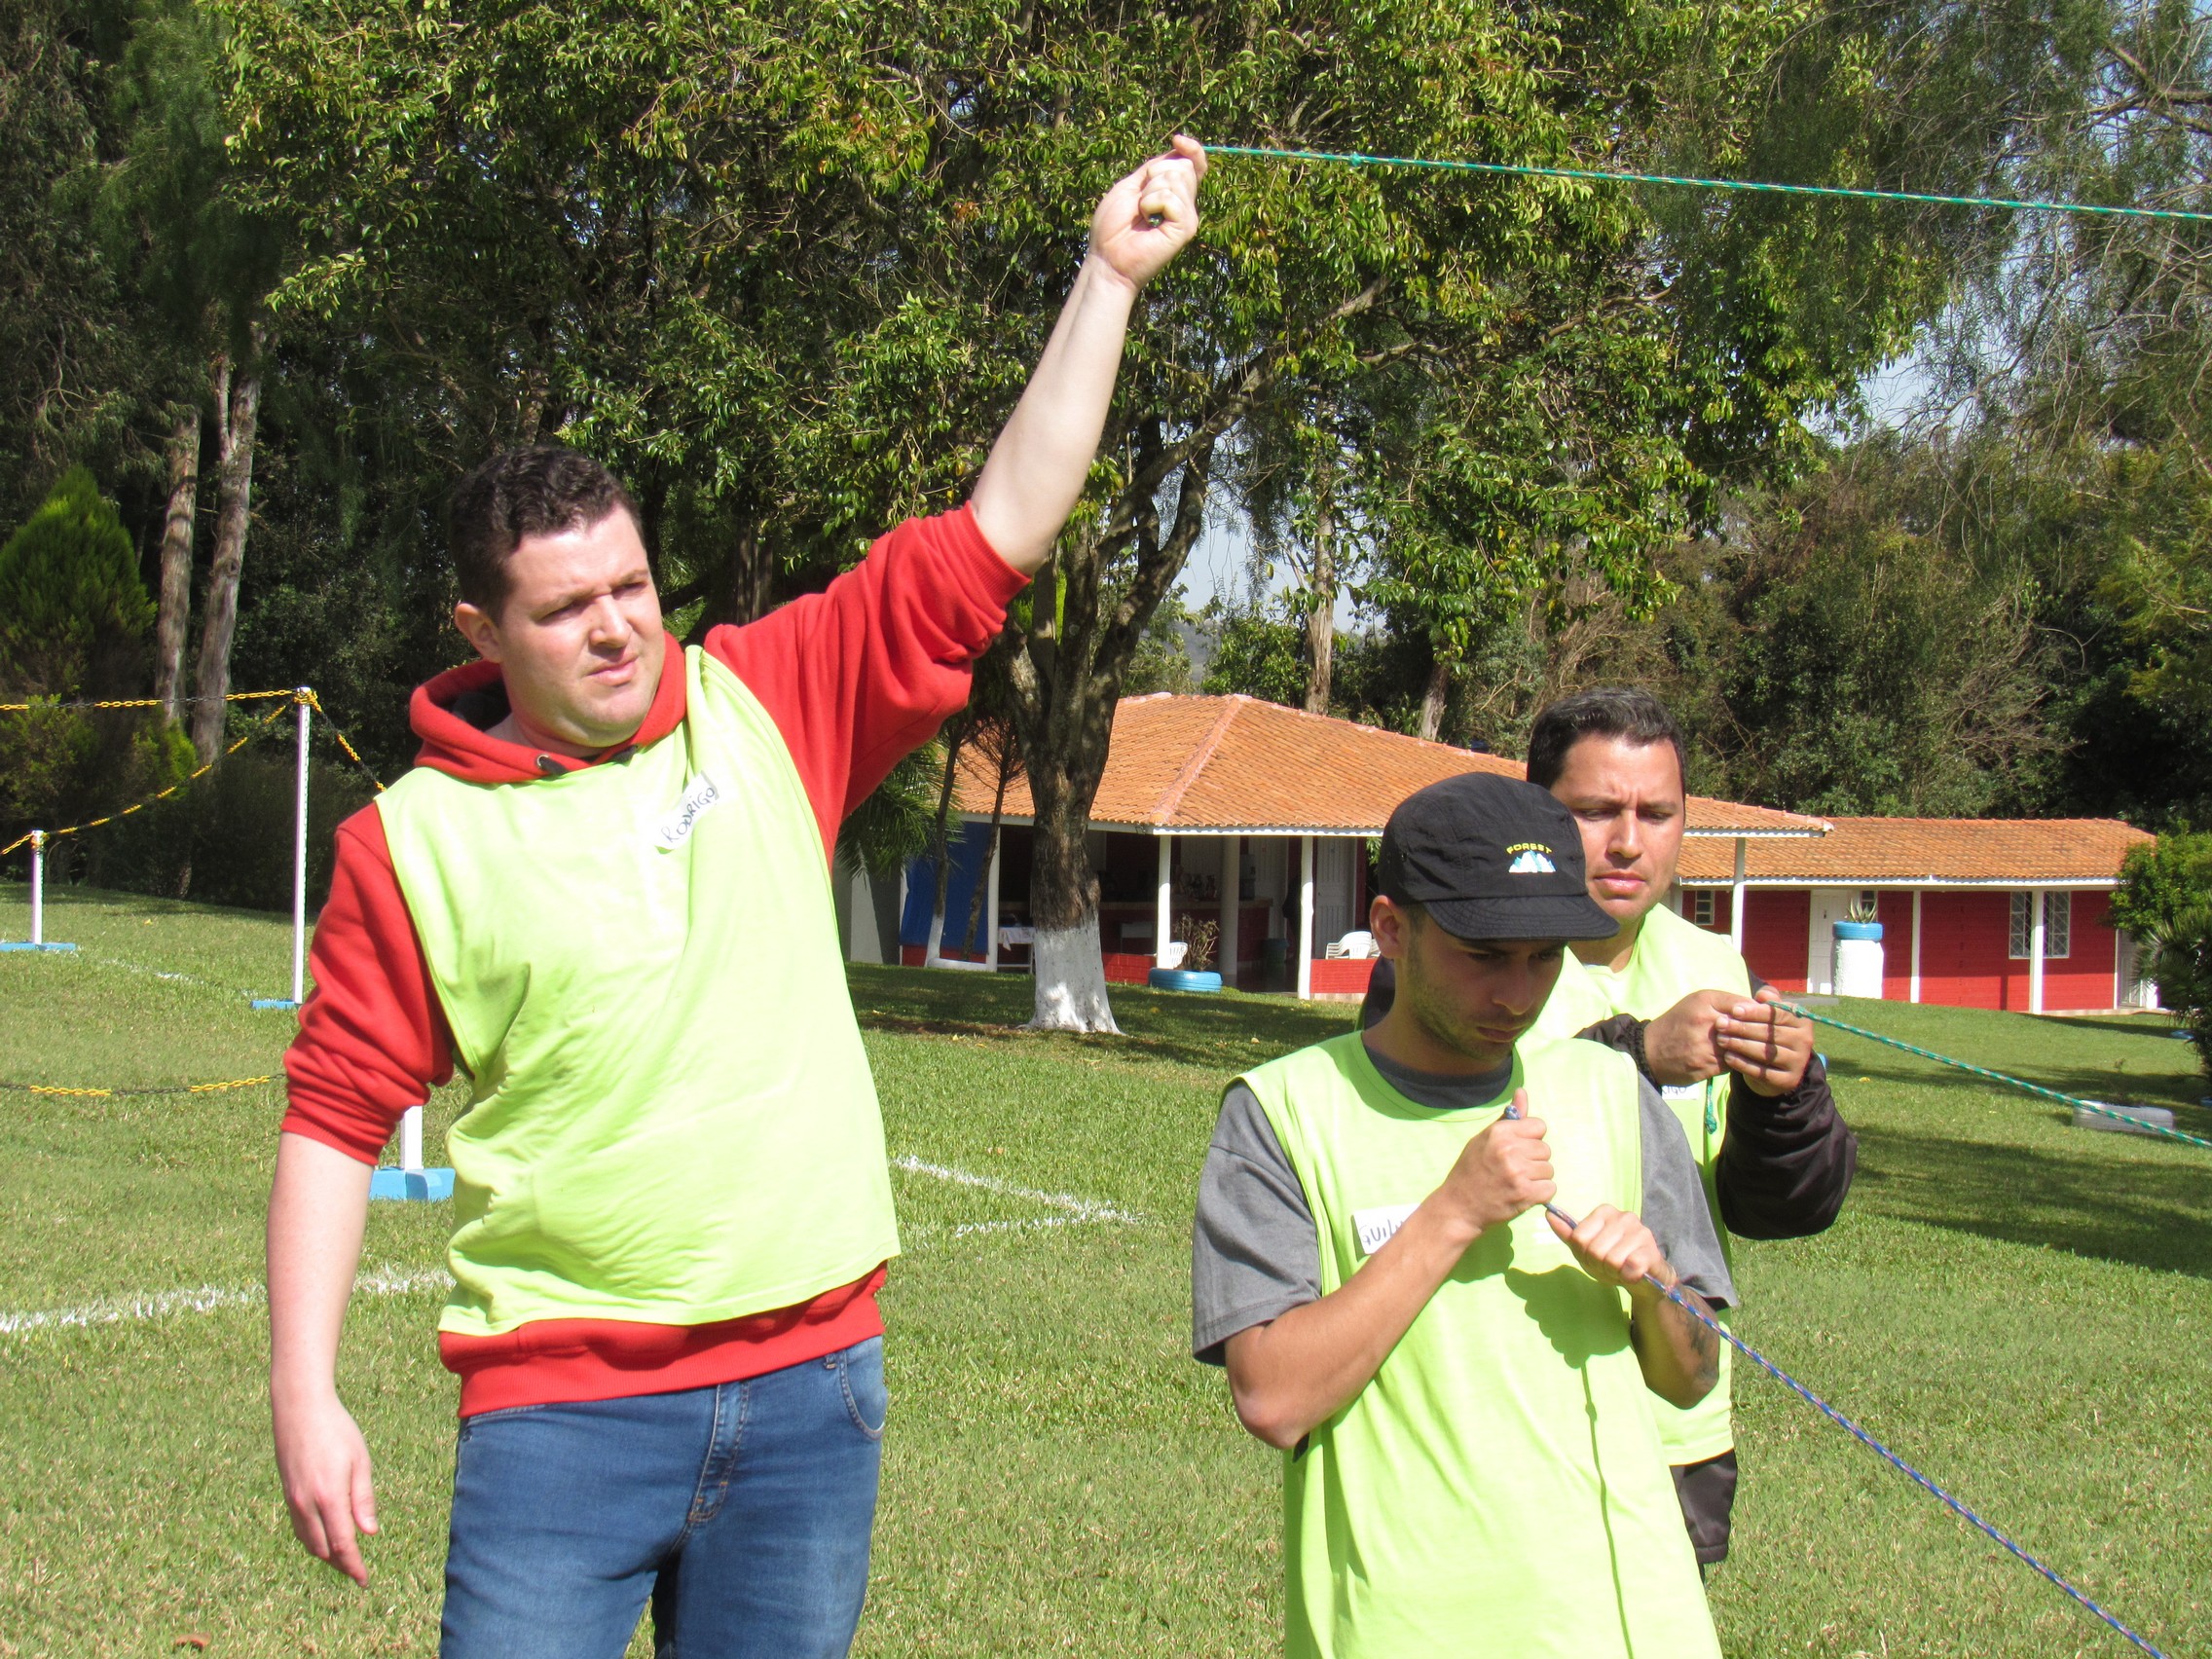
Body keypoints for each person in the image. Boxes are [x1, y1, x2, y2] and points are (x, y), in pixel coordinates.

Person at [268, 140, 1208, 1657]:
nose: (616, 629)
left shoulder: (764, 703)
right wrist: (304, 1393)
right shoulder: (413, 842)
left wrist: (1107, 278)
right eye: (565, 609)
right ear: (481, 630)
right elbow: (332, 1121)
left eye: (630, 587)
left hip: (812, 1399)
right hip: (559, 1420)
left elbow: (1000, 530)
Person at [1193, 772, 1735, 1659]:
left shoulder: (1612, 1090)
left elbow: (1691, 1379)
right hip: (1408, 1631)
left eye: (1545, 955)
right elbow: (1274, 1399)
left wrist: (1654, 1287)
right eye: (1484, 955)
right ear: (1391, 929)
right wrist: (1454, 1211)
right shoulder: (1282, 1112)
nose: (1518, 994)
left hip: (1634, 1624)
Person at [1361, 687, 1854, 1566]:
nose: (1629, 842)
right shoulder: (1442, 967)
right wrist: (1639, 1051)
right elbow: (1432, 1139)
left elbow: (1776, 1209)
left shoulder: (1716, 963)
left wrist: (1786, 1099)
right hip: (1507, 1410)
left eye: (1657, 814)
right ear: (1537, 817)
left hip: (1676, 1420)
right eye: (1595, 812)